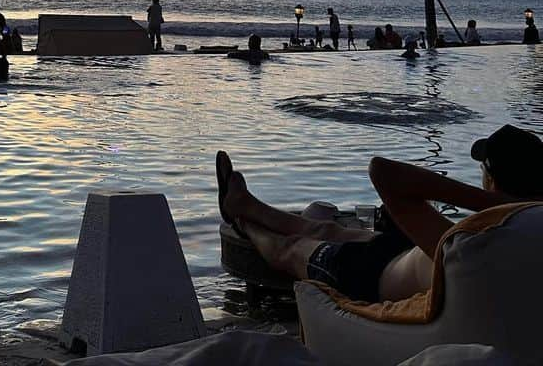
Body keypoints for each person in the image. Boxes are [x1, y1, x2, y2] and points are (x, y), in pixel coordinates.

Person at [215, 124, 543, 306]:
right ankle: (247, 205)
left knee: (291, 249)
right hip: (409, 253)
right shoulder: (524, 232)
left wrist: (497, 205)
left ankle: (243, 222)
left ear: (492, 181)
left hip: (368, 276)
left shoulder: (480, 241)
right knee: (326, 229)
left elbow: (382, 171)